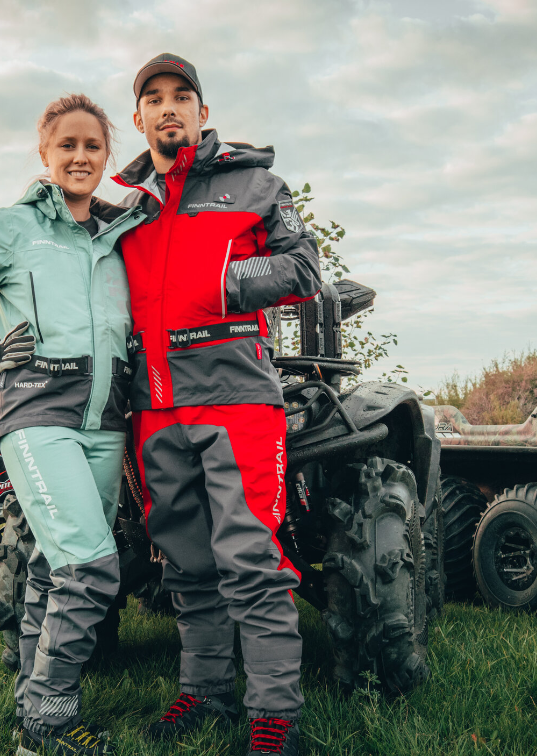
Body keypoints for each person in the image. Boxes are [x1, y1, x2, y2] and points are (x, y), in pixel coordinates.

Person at [0, 93, 145, 756]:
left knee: (53, 563)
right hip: (38, 409)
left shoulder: (116, 232)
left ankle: (29, 700)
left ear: (106, 156)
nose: (80, 156)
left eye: (92, 146)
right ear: (44, 154)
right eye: (67, 145)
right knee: (92, 567)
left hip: (106, 418)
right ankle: (46, 726)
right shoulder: (13, 227)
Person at [113, 54, 322, 756]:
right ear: (137, 118)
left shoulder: (256, 184)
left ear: (203, 113)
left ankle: (275, 719)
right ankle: (204, 696)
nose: (168, 108)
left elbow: (304, 268)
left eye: (182, 97)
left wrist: (223, 279)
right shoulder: (120, 203)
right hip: (154, 406)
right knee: (187, 564)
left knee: (249, 558)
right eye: (153, 99)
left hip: (235, 397)